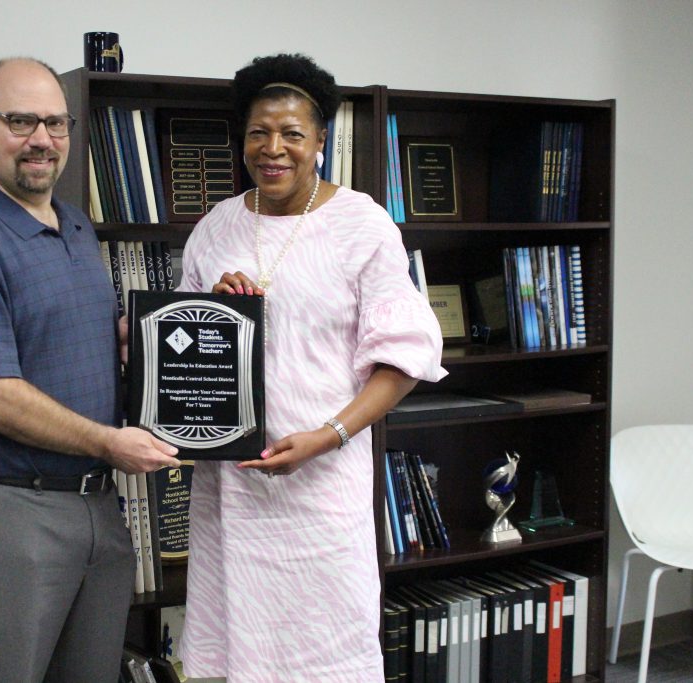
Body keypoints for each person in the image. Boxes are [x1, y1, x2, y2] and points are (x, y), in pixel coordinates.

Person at [177, 54, 447, 682]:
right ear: (241, 139)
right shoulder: (216, 228)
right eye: (258, 133)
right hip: (232, 490)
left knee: (326, 659)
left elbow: (403, 356)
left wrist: (330, 435)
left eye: (293, 134)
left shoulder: (361, 224)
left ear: (321, 140)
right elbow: (180, 351)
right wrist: (212, 313)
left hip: (321, 489)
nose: (273, 149)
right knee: (237, 656)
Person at [0, 57, 180, 683]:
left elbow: (69, 340)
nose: (42, 139)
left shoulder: (76, 225)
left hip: (96, 507)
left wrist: (144, 344)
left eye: (56, 123)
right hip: (10, 514)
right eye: (22, 120)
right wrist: (110, 442)